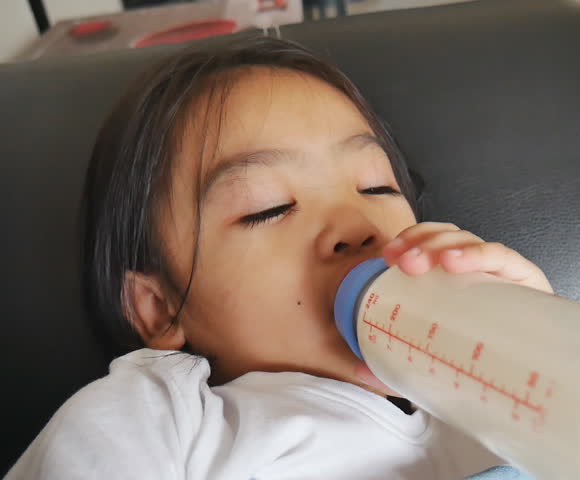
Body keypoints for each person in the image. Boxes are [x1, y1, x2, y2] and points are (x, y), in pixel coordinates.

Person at [8, 35, 551, 479]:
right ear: (160, 307)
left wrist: (538, 344)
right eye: (267, 208)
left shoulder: (490, 397)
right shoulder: (156, 422)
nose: (357, 227)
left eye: (377, 187)